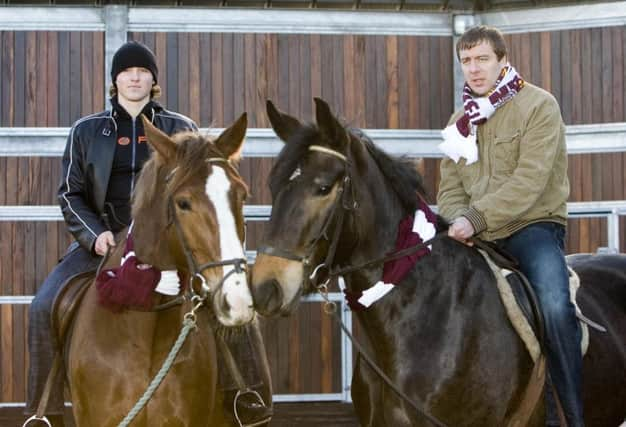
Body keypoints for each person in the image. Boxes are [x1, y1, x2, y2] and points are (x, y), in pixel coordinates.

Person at [25, 41, 271, 427]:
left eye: (143, 71)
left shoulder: (180, 128)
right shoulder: (86, 131)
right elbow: (70, 194)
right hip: (101, 242)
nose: (135, 77)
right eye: (127, 71)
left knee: (233, 300)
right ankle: (43, 411)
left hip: (167, 244)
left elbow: (203, 192)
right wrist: (96, 235)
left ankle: (245, 395)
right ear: (115, 80)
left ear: (153, 80)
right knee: (42, 305)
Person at [437, 26, 582, 427]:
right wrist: (456, 220)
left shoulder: (539, 106)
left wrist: (474, 218)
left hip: (532, 227)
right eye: (466, 61)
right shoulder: (459, 123)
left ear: (503, 60)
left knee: (554, 305)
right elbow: (448, 189)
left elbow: (529, 183)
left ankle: (570, 415)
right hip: (476, 236)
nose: (474, 69)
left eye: (482, 59)